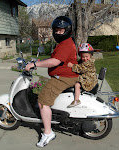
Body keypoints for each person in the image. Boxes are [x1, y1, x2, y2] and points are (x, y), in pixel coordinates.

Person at [25, 16, 78, 148]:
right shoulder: (65, 43)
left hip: (64, 78)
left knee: (42, 101)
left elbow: (55, 61)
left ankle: (48, 133)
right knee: (44, 94)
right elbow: (55, 59)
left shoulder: (66, 44)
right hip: (64, 76)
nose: (59, 33)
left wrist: (35, 64)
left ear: (68, 30)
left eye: (61, 30)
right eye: (57, 30)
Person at [67, 43, 98, 108]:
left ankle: (76, 100)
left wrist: (72, 65)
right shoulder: (83, 61)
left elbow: (81, 68)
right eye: (83, 57)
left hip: (89, 81)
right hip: (87, 78)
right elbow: (79, 64)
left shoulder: (89, 63)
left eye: (87, 56)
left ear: (90, 55)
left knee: (77, 85)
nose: (85, 58)